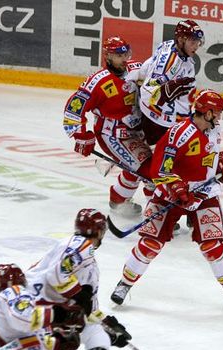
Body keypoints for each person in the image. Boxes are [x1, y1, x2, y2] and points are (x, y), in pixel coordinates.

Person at [109, 90, 223, 313]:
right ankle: (124, 284)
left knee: (212, 245)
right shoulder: (178, 134)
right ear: (207, 113)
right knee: (150, 243)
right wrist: (176, 187)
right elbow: (160, 169)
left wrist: (222, 166)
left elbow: (209, 155)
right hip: (170, 193)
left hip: (204, 192)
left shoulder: (214, 129)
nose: (219, 118)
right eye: (217, 113)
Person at [25, 209, 134, 350]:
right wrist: (78, 295)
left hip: (57, 307)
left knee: (97, 334)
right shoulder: (80, 247)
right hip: (45, 308)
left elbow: (86, 302)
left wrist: (107, 322)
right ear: (101, 232)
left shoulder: (83, 251)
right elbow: (56, 277)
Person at [63, 36, 153, 218]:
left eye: (126, 53)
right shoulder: (98, 82)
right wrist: (81, 135)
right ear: (108, 56)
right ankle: (156, 214)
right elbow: (73, 109)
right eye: (120, 56)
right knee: (149, 170)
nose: (125, 59)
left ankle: (119, 199)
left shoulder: (137, 69)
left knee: (142, 166)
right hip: (113, 134)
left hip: (140, 129)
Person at [138, 19, 203, 145]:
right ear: (180, 40)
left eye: (198, 42)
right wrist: (162, 92)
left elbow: (145, 68)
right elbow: (147, 90)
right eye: (193, 41)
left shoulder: (175, 49)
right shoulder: (170, 62)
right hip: (159, 122)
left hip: (172, 118)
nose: (196, 46)